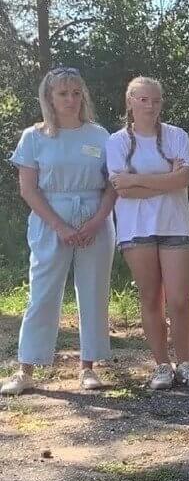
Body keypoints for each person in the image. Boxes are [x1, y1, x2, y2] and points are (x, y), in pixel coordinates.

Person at [3, 68, 115, 396]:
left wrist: (96, 220)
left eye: (76, 93)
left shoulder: (100, 136)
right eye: (63, 93)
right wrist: (60, 226)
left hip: (95, 217)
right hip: (50, 218)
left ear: (83, 96)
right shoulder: (34, 137)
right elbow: (28, 189)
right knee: (42, 292)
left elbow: (113, 184)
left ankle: (88, 367)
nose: (70, 99)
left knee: (94, 290)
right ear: (49, 98)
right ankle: (26, 368)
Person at [105, 77, 189, 390]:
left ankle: (186, 363)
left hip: (175, 225)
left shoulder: (177, 136)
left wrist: (138, 180)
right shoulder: (117, 141)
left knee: (178, 298)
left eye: (157, 100)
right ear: (131, 101)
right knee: (151, 297)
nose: (151, 106)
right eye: (144, 100)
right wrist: (166, 178)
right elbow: (122, 189)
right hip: (136, 229)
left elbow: (184, 179)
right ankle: (161, 364)